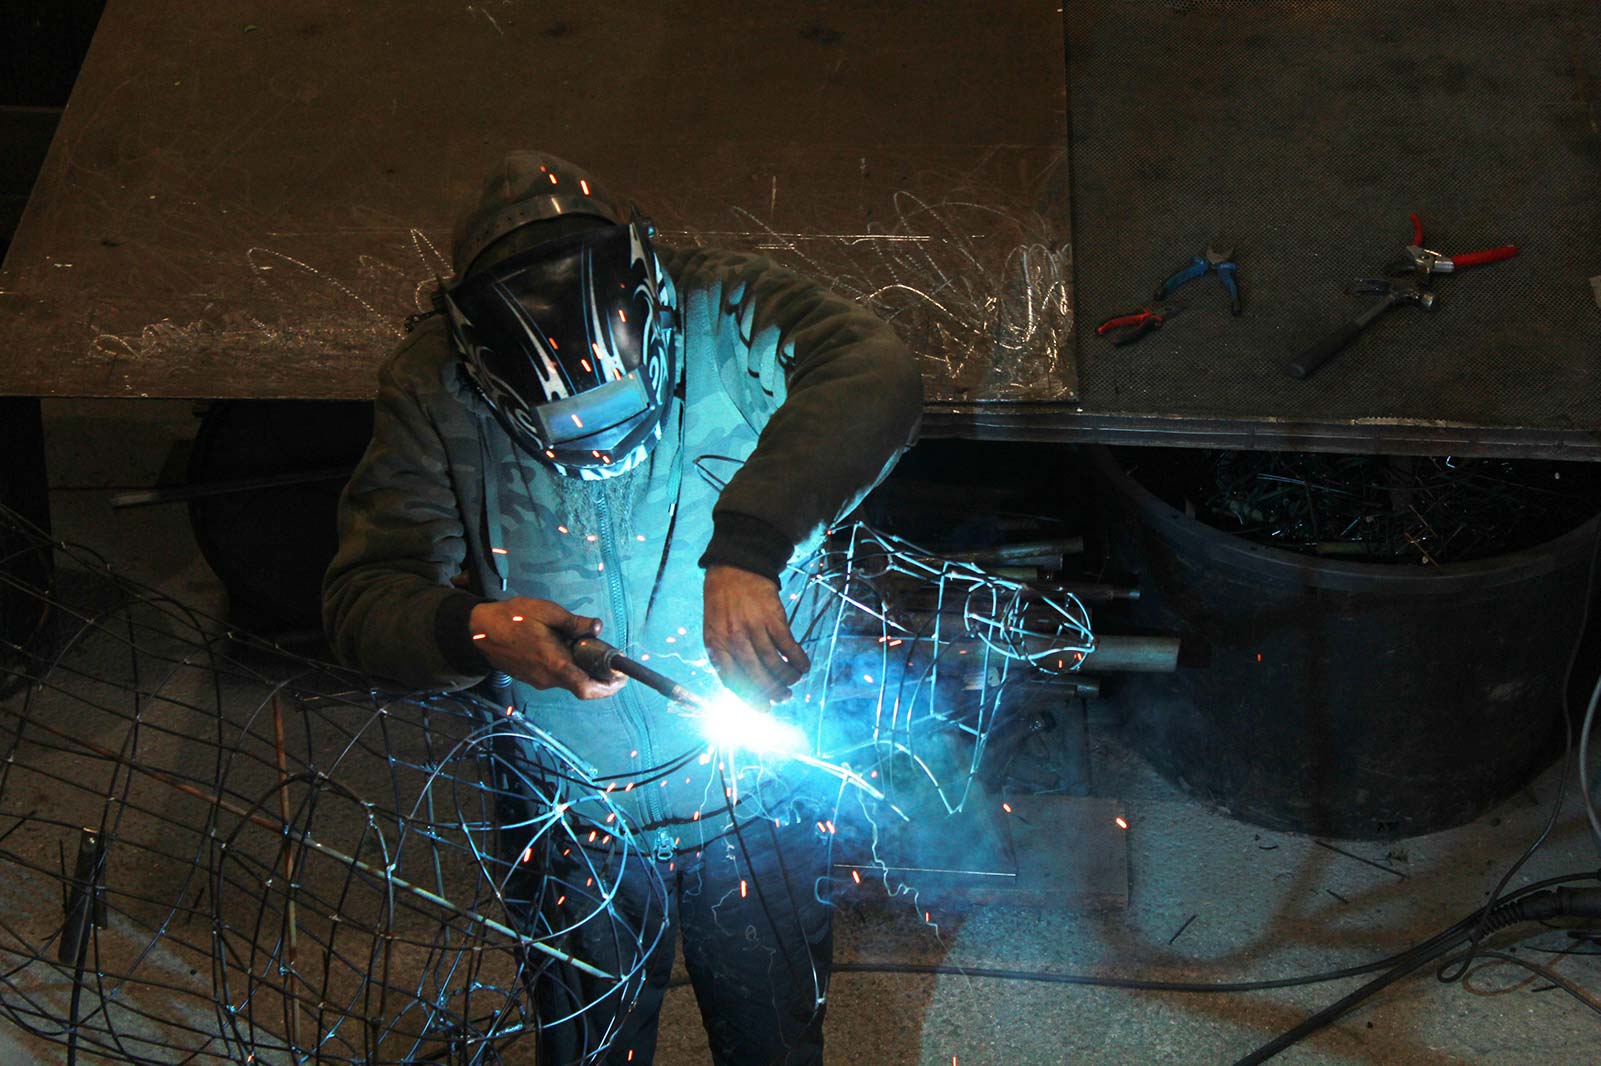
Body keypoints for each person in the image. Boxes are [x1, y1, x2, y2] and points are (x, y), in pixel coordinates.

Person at [323, 150, 923, 1065]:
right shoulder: (436, 383)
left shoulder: (726, 310)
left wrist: (748, 547)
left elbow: (872, 370)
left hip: (748, 797)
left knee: (773, 1035)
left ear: (646, 301)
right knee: (589, 1045)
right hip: (569, 807)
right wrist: (474, 629)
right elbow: (362, 598)